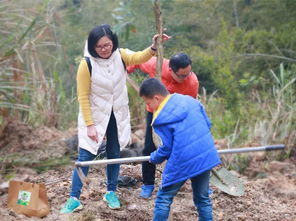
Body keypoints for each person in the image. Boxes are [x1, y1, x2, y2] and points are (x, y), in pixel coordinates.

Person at [60, 24, 170, 214]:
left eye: (107, 45)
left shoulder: (120, 55)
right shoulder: (86, 64)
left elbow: (139, 57)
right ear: (93, 46)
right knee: (85, 156)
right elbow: (83, 97)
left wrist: (153, 47)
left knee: (114, 153)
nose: (104, 49)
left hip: (116, 114)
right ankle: (74, 197)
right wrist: (90, 125)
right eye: (99, 47)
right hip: (94, 115)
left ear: (113, 42)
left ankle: (111, 191)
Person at [139, 78, 221, 221]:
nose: (150, 107)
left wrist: (154, 158)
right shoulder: (190, 101)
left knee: (163, 198)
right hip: (205, 155)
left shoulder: (161, 118)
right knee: (203, 199)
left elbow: (167, 147)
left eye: (148, 103)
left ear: (156, 98)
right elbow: (208, 124)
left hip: (183, 160)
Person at [127, 53, 199, 198]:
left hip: (175, 115)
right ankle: (148, 184)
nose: (186, 77)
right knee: (149, 148)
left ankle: (192, 183)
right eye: (182, 75)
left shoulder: (192, 82)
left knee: (180, 149)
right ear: (171, 70)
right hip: (154, 113)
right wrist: (125, 71)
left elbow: (190, 106)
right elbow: (138, 62)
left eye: (188, 73)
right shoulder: (157, 64)